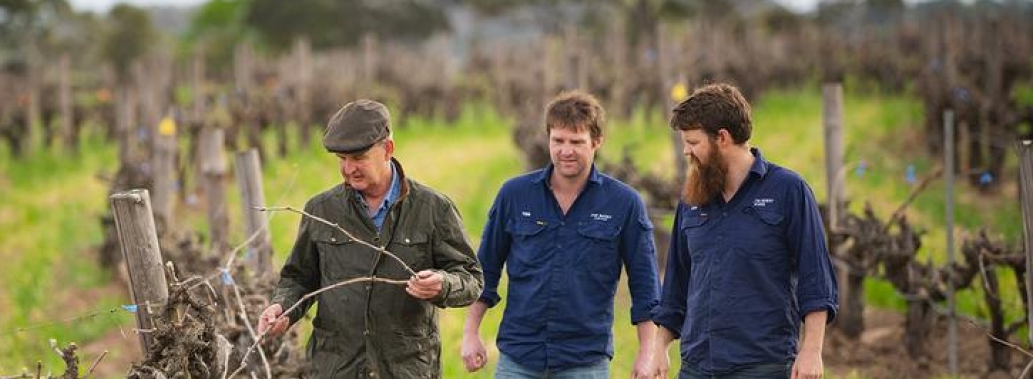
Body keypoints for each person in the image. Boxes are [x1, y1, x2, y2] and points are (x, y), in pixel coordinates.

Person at [256, 99, 483, 378]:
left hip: (406, 370)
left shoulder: (433, 209)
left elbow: (471, 278)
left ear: (387, 149)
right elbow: (299, 278)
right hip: (335, 370)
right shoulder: (321, 209)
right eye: (342, 159)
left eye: (359, 158)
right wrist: (283, 308)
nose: (349, 168)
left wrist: (443, 284)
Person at [461, 90, 662, 378]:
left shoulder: (625, 203)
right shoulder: (514, 195)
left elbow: (646, 285)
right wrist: (471, 333)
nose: (566, 151)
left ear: (597, 142)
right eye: (558, 141)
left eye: (576, 142)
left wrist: (647, 353)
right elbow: (485, 269)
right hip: (519, 357)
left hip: (585, 361)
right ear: (548, 138)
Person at [650, 83, 839, 379]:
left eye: (693, 142)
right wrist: (658, 347)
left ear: (722, 138)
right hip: (698, 366)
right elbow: (677, 281)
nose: (686, 151)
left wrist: (811, 350)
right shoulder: (691, 199)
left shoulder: (789, 191)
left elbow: (815, 278)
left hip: (763, 366)